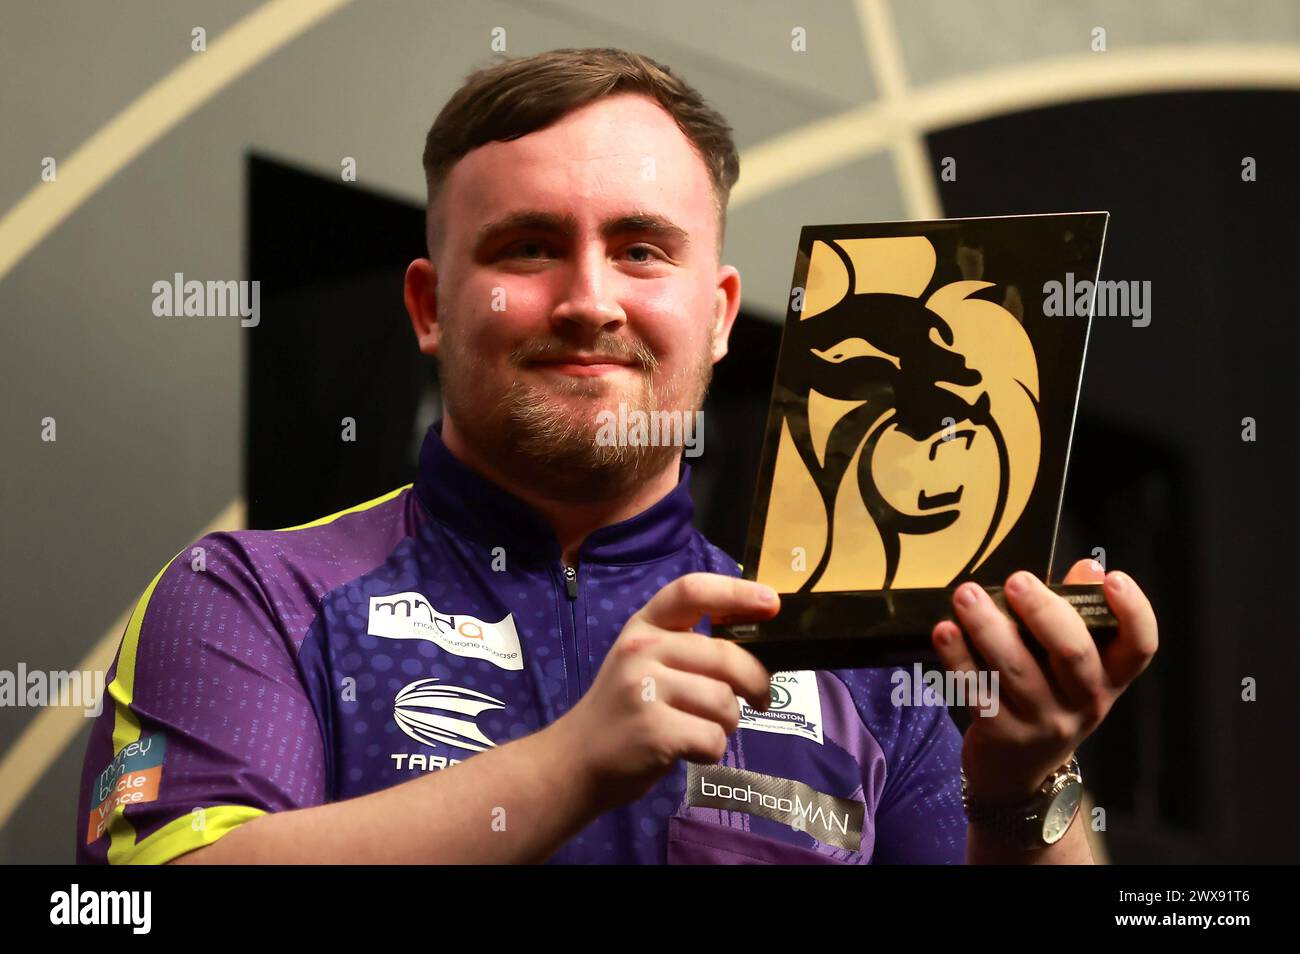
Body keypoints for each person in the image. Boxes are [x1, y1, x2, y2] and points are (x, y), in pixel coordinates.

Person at [76, 48, 1157, 865]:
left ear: (722, 313)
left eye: (641, 250)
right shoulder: (250, 596)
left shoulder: (866, 667)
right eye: (529, 247)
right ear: (428, 305)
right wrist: (570, 763)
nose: (589, 301)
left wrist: (1022, 785)